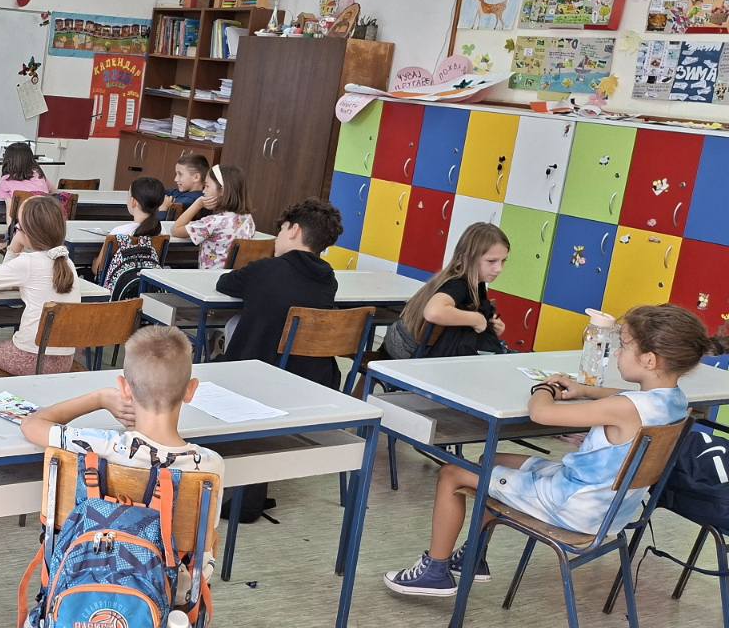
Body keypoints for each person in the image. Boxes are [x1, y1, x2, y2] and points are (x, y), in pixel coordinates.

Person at [384, 304, 722, 597]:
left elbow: (542, 414)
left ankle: (435, 571)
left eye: (624, 345)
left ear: (648, 360)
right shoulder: (675, 402)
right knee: (492, 460)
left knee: (452, 473)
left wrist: (543, 388)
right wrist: (585, 390)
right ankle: (473, 556)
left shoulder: (623, 409)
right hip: (610, 510)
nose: (617, 353)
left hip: (571, 505)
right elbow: (624, 398)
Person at [19, 326, 224, 576]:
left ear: (125, 388)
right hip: (169, 592)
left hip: (86, 579)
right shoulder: (210, 465)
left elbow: (31, 424)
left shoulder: (100, 446)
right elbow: (206, 542)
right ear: (191, 389)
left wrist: (99, 399)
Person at [217, 198, 342, 387]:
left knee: (234, 322)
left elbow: (225, 283)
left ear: (294, 230)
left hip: (257, 375)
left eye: (282, 229)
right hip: (310, 379)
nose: (277, 237)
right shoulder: (329, 281)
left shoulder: (265, 270)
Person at [0, 195, 81, 379]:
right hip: (64, 360)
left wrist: (13, 247)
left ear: (28, 232)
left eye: (18, 226)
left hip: (30, 357)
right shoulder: (67, 262)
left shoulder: (28, 263)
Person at [381, 222, 510, 359]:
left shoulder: (477, 282)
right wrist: (477, 319)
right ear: (468, 258)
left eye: (503, 261)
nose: (499, 269)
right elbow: (433, 312)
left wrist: (491, 327)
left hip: (413, 344)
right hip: (405, 349)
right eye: (491, 261)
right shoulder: (458, 284)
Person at [182, 163, 255, 269]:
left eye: (207, 186)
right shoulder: (248, 218)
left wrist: (197, 204)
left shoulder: (213, 222)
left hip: (208, 277)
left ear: (222, 190)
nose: (203, 191)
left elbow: (175, 230)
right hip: (234, 276)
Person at [92, 175, 165, 279]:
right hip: (147, 283)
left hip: (117, 287)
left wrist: (93, 261)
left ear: (134, 202)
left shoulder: (118, 232)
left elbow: (98, 270)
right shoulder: (161, 231)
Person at [163, 151, 211, 215]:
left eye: (180, 174)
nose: (175, 179)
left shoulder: (189, 201)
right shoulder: (182, 192)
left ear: (196, 177)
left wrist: (162, 209)